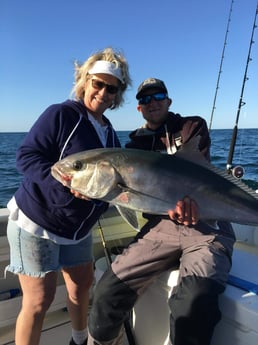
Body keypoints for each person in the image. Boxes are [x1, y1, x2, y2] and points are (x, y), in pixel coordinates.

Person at [87, 78, 236, 345]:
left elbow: (199, 172)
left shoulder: (192, 126)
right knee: (107, 292)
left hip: (208, 225)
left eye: (158, 96)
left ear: (168, 101)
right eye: (144, 99)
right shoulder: (134, 147)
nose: (152, 102)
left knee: (194, 304)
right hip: (161, 229)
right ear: (139, 109)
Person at [5, 47, 131, 345]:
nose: (102, 92)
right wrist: (62, 187)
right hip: (37, 222)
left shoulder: (111, 135)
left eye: (110, 88)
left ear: (116, 95)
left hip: (77, 230)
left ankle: (78, 340)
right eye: (97, 83)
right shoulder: (62, 114)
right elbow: (26, 156)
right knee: (39, 300)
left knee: (82, 287)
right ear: (84, 81)